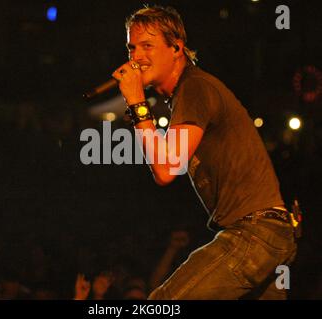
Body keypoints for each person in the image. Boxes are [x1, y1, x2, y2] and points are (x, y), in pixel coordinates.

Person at [112, 5, 297, 299]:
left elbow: (166, 169)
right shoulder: (188, 92)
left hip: (254, 234)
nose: (136, 57)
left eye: (148, 45)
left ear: (176, 48)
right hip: (271, 236)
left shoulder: (194, 87)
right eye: (131, 47)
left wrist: (136, 102)